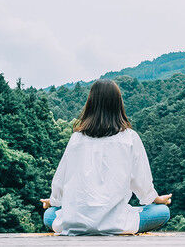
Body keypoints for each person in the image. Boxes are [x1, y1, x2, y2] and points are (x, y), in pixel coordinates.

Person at [40, 79, 172, 235]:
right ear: (118, 105)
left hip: (75, 224)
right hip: (117, 224)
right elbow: (141, 182)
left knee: (49, 215)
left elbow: (60, 180)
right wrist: (155, 199)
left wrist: (53, 201)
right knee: (162, 212)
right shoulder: (130, 138)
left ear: (90, 104)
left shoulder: (76, 139)